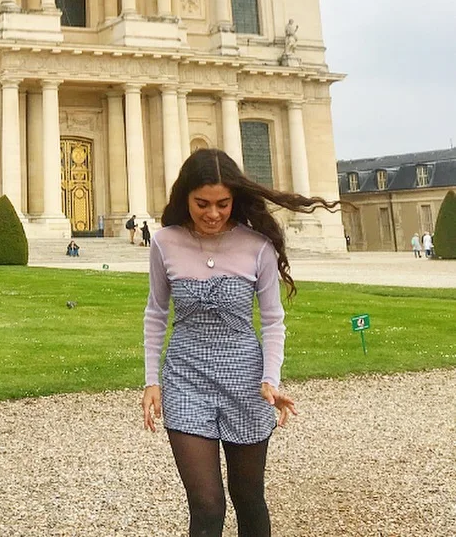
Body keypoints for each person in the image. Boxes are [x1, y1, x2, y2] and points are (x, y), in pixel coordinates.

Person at [141, 147, 340, 537]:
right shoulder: (164, 242)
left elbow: (272, 321)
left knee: (248, 495)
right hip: (186, 378)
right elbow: (155, 314)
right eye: (202, 204)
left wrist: (271, 378)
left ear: (234, 200)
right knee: (206, 504)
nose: (213, 213)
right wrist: (152, 380)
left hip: (246, 382)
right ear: (185, 198)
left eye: (222, 204)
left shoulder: (258, 246)